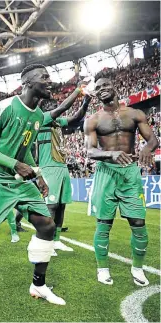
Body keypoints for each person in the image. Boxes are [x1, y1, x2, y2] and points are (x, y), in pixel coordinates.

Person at [0, 64, 65, 312]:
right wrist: (16, 165)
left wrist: (36, 174)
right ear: (27, 83)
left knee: (47, 225)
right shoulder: (5, 107)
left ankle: (38, 284)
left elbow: (24, 150)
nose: (50, 82)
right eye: (44, 77)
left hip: (18, 179)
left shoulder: (38, 116)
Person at [84, 74, 158, 286]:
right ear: (96, 94)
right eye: (97, 88)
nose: (102, 89)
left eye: (105, 85)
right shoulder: (93, 120)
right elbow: (90, 151)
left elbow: (152, 138)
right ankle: (103, 268)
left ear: (114, 86)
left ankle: (137, 268)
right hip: (106, 173)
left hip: (129, 174)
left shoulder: (135, 113)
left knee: (138, 222)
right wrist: (110, 154)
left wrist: (146, 148)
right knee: (104, 224)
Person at [37, 86, 91, 253]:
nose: (55, 109)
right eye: (52, 107)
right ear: (45, 109)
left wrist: (86, 101)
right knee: (51, 206)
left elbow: (76, 117)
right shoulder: (43, 118)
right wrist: (78, 90)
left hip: (61, 166)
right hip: (49, 167)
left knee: (61, 206)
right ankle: (45, 242)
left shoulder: (57, 123)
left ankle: (57, 240)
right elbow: (63, 108)